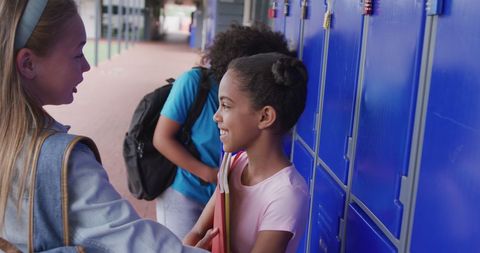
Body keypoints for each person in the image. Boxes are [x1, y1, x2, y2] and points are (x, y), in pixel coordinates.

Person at [0, 0, 210, 252]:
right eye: (77, 54)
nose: (87, 65)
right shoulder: (63, 161)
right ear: (28, 64)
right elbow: (138, 245)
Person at [152, 24, 292, 239]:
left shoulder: (285, 192)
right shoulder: (194, 83)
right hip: (186, 192)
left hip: (226, 194)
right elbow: (162, 138)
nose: (218, 115)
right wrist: (207, 173)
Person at [183, 52, 310, 253]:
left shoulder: (286, 194)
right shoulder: (236, 163)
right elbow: (197, 232)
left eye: (225, 105)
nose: (216, 116)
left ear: (265, 116)